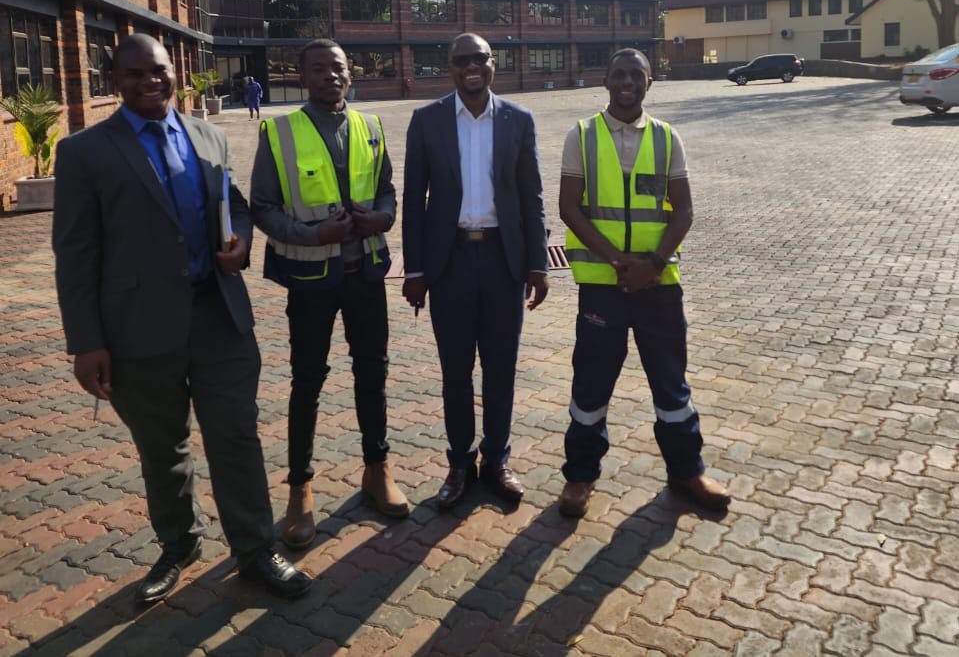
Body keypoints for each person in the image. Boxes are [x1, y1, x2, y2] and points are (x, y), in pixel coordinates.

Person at [52, 34, 311, 607]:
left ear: (175, 71)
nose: (151, 81)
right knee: (162, 445)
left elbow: (233, 203)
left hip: (218, 314)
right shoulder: (84, 152)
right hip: (136, 328)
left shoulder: (207, 134)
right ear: (114, 81)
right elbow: (75, 254)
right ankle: (179, 544)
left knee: (236, 436)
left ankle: (254, 548)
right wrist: (86, 342)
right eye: (135, 73)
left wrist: (241, 240)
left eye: (159, 70)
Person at [556, 48, 730, 518]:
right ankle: (580, 476)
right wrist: (618, 262)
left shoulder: (668, 138)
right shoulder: (582, 135)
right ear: (606, 81)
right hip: (603, 284)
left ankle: (687, 471)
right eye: (619, 74)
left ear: (650, 82)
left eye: (637, 75)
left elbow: (684, 211)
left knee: (671, 382)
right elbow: (569, 207)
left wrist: (651, 264)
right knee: (591, 384)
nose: (627, 82)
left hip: (659, 286)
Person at [250, 38, 408, 549]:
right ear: (302, 77)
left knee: (373, 373)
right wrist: (314, 234)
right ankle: (300, 489)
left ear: (349, 73)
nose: (330, 76)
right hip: (311, 280)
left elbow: (387, 191)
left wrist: (382, 218)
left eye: (337, 67)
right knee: (308, 380)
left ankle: (377, 468)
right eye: (318, 69)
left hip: (366, 275)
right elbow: (263, 207)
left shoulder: (370, 126)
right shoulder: (279, 133)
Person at [402, 32, 549, 509]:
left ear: (492, 63)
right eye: (461, 60)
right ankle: (461, 463)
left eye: (479, 58)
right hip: (450, 264)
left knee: (501, 368)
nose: (471, 67)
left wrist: (537, 263)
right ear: (450, 67)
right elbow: (414, 200)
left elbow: (531, 196)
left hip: (504, 261)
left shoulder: (518, 120)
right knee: (456, 370)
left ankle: (497, 460)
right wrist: (415, 270)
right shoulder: (427, 120)